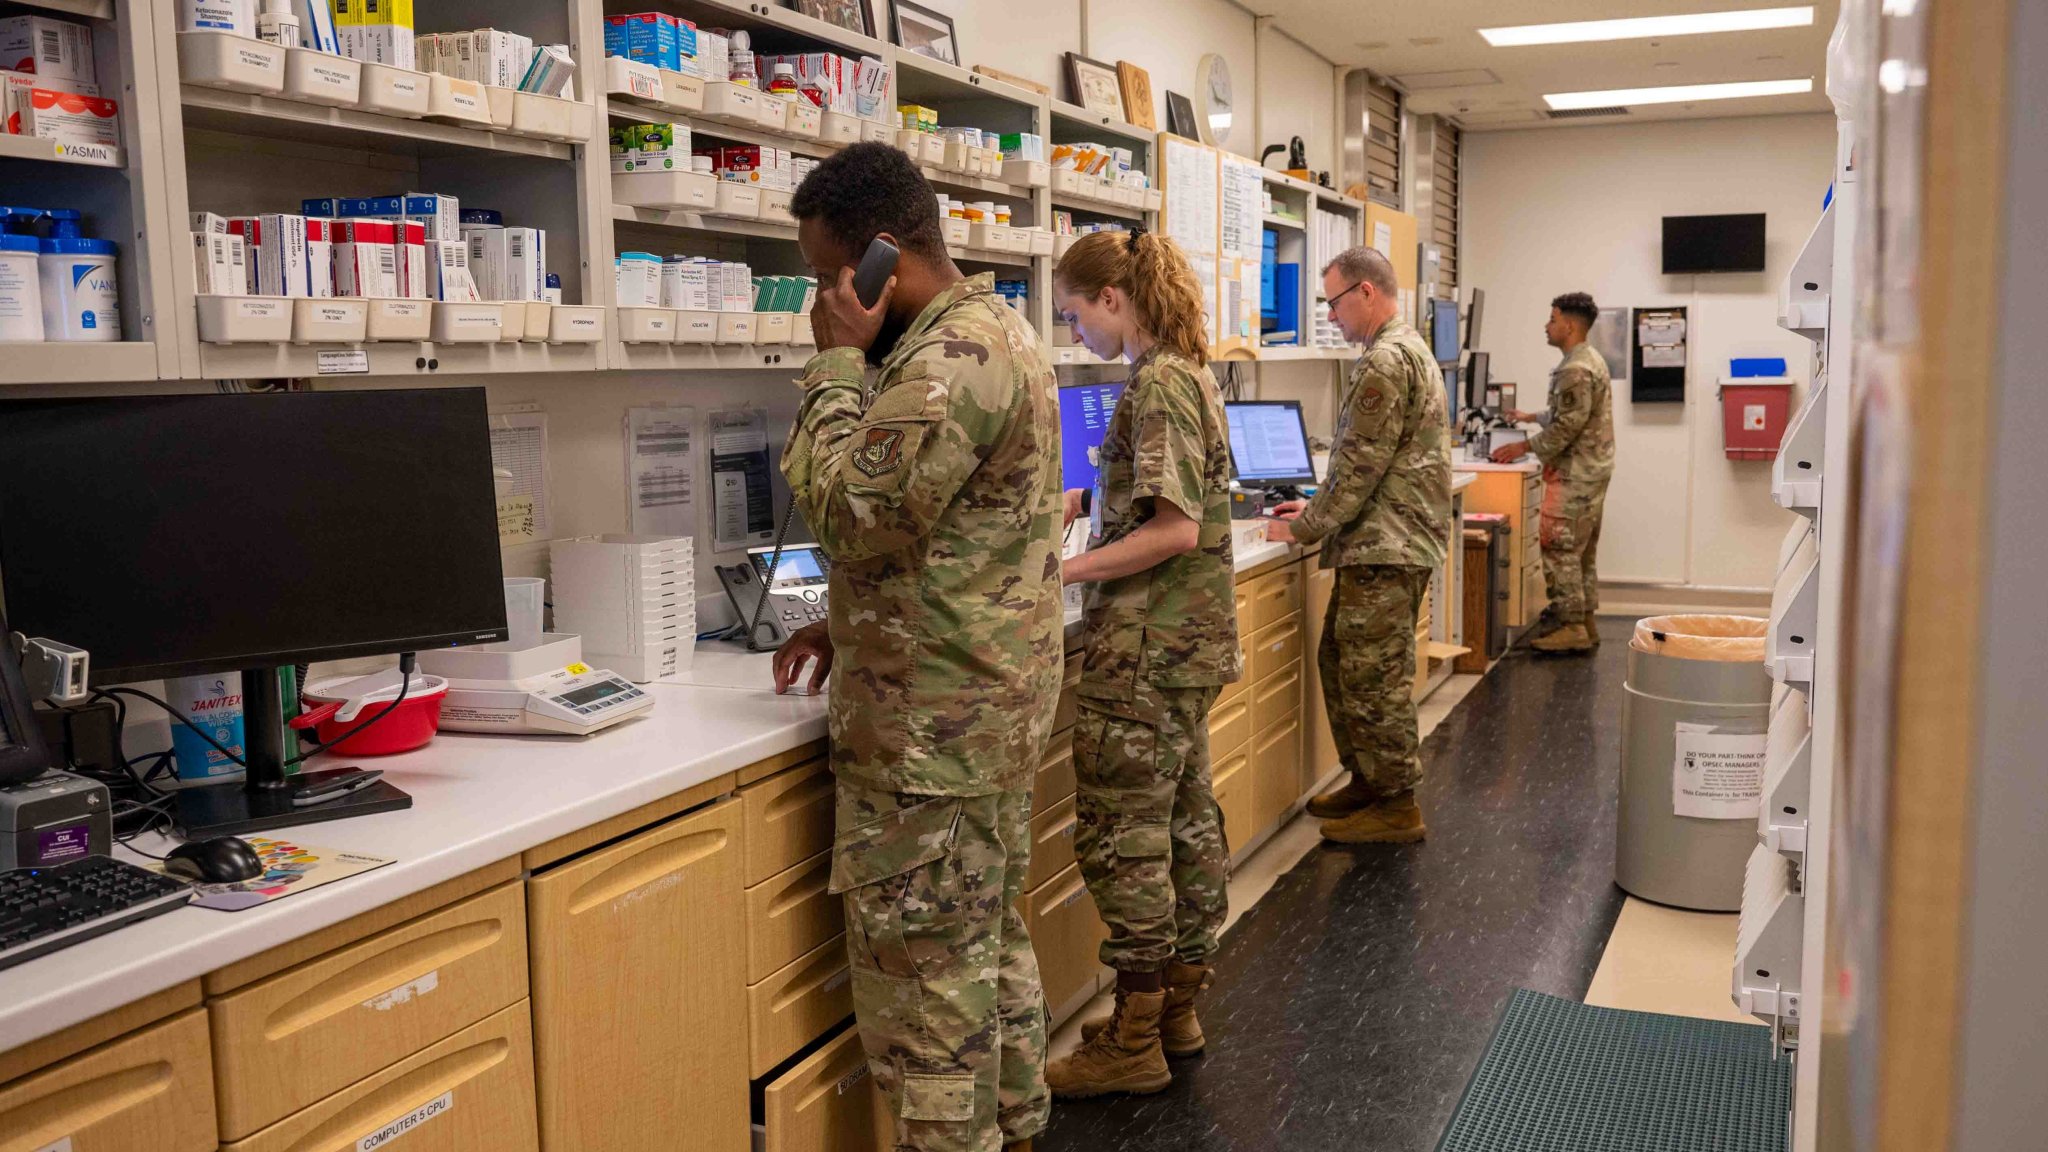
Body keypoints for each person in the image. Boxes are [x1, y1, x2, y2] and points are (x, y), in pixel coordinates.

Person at [771, 142, 1065, 1152]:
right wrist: (845, 618)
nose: (822, 295)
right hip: (977, 711)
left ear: (877, 260)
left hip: (928, 740)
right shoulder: (995, 332)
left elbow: (850, 516)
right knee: (981, 949)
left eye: (826, 273)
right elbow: (947, 538)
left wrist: (833, 365)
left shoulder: (942, 362)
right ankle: (1019, 1127)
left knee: (927, 1001)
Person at [1042, 229, 1240, 1098]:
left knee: (1125, 843)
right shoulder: (1190, 370)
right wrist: (1092, 499)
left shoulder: (1156, 382)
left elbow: (1175, 528)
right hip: (1187, 646)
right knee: (1187, 827)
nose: (1075, 331)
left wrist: (1061, 567)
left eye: (1074, 314)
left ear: (1113, 301)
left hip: (1146, 650)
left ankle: (1132, 1041)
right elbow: (1166, 500)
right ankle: (1175, 1009)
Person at [1266, 247, 1452, 845]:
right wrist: (1317, 510)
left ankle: (1396, 803)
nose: (1332, 316)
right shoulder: (1402, 349)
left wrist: (1301, 526)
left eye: (1334, 303)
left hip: (1386, 545)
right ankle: (1370, 781)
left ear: (1367, 293)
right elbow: (1360, 465)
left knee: (1372, 677)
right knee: (1342, 662)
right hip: (1384, 540)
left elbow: (1357, 469)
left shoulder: (1385, 361)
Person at [1490, 291, 1615, 654]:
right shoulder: (1589, 360)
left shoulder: (1575, 368)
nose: (1547, 326)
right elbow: (1573, 415)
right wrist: (1532, 418)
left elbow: (1568, 427)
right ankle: (1585, 621)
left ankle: (1572, 626)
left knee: (1559, 547)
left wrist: (1522, 446)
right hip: (1593, 469)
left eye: (1552, 319)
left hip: (1576, 473)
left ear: (1569, 325)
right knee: (1581, 552)